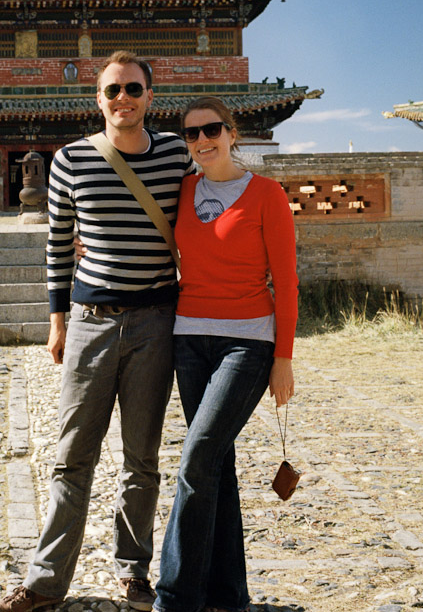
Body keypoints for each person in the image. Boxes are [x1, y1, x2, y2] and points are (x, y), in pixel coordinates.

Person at [0, 51, 193, 612]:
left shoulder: (177, 155)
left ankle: (134, 572)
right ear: (97, 99)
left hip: (156, 321)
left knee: (142, 460)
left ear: (151, 97)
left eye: (133, 89)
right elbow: (58, 246)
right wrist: (57, 324)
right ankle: (45, 581)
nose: (122, 99)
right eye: (112, 91)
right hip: (90, 322)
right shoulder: (70, 160)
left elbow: (206, 218)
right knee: (71, 457)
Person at [154, 96, 298, 612]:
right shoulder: (183, 189)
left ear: (233, 133)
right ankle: (227, 595)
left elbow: (286, 281)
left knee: (196, 459)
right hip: (189, 339)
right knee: (216, 464)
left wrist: (283, 357)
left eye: (212, 130)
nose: (201, 141)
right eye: (191, 134)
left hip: (248, 342)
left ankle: (175, 598)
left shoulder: (267, 195)